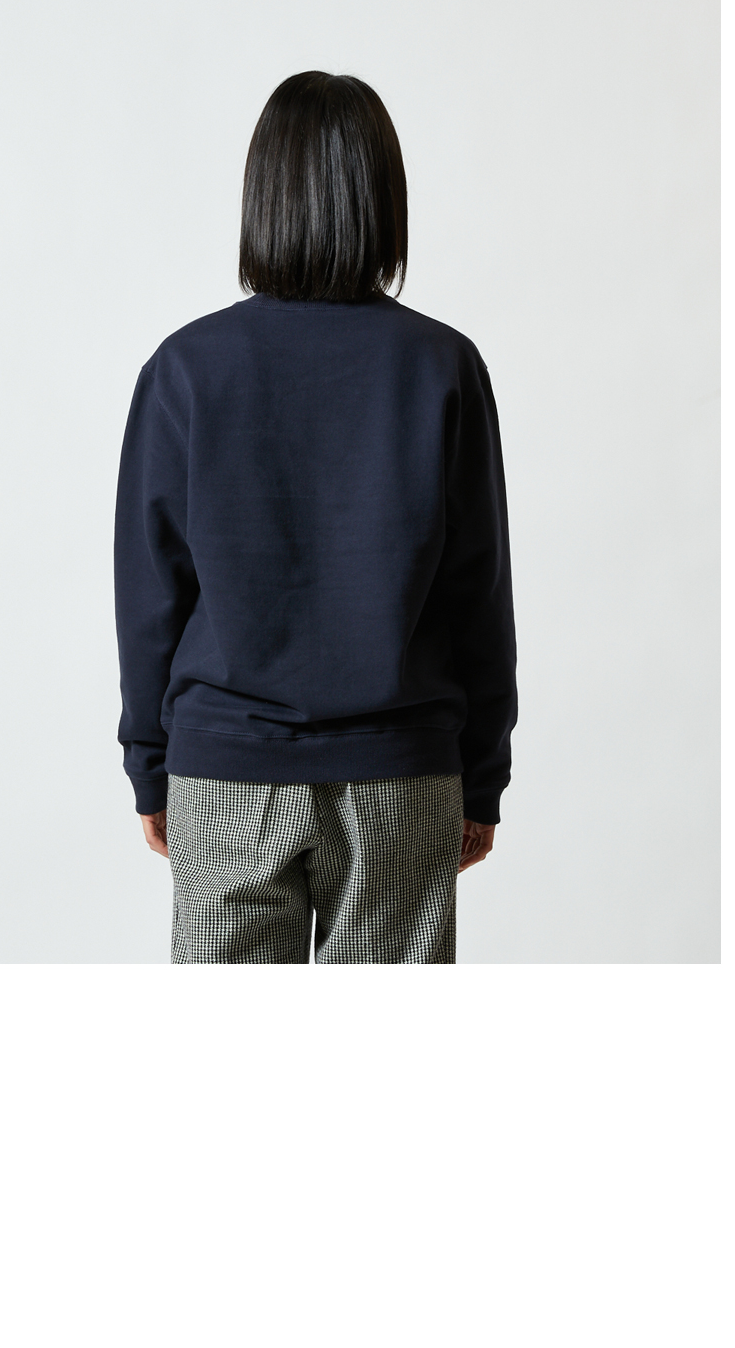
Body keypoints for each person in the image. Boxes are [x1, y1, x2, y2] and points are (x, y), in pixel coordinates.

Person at [113, 70, 517, 964]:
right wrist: (482, 775)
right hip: (401, 773)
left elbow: (149, 594)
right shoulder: (443, 367)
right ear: (384, 200)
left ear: (263, 197)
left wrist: (151, 763)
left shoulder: (186, 368)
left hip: (226, 767)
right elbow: (479, 592)